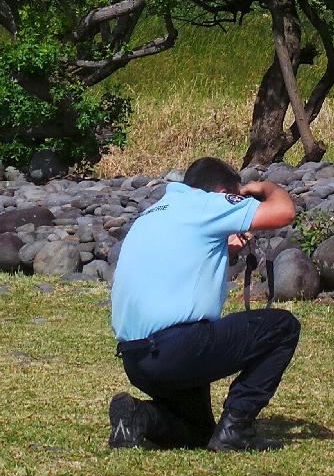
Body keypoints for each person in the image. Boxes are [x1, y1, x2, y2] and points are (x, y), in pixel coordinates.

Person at [108, 157, 300, 451]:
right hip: (176, 348)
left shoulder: (152, 214)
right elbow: (284, 212)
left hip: (137, 360)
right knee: (282, 327)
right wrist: (265, 186)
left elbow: (178, 264)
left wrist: (224, 248)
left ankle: (139, 416)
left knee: (197, 432)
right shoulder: (207, 204)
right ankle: (237, 427)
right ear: (224, 193)